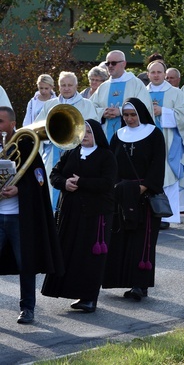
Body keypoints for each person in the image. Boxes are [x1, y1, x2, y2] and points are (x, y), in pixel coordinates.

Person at [41, 120, 117, 313]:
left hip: (95, 214)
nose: (85, 136)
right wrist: (65, 183)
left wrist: (81, 182)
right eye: (83, 132)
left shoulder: (106, 156)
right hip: (70, 212)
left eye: (89, 133)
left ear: (97, 135)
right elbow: (54, 174)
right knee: (69, 254)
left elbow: (108, 183)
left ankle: (89, 298)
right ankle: (69, 291)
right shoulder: (71, 152)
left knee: (89, 257)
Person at [0, 106, 64, 324]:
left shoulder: (26, 145)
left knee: (25, 264)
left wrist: (19, 189)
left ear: (12, 123)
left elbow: (39, 181)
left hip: (18, 216)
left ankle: (27, 308)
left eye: (0, 121)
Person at [102, 98, 165, 302]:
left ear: (141, 114)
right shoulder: (118, 136)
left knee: (142, 241)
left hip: (144, 195)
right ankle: (124, 280)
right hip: (121, 195)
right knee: (122, 240)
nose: (129, 119)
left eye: (133, 115)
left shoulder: (154, 134)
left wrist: (143, 187)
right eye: (126, 115)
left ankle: (140, 285)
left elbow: (157, 164)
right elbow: (111, 164)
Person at [36, 72, 99, 209]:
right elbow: (38, 128)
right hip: (53, 151)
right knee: (50, 186)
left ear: (76, 85)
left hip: (77, 152)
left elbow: (93, 129)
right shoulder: (50, 105)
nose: (66, 88)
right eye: (63, 85)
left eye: (70, 85)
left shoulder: (86, 104)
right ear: (58, 87)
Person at [146, 60, 184, 229]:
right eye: (153, 72)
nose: (156, 75)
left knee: (168, 176)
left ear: (165, 74)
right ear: (148, 74)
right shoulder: (142, 93)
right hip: (147, 141)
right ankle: (149, 213)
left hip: (169, 141)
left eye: (159, 72)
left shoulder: (175, 93)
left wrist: (163, 112)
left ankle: (167, 216)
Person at [90, 50, 153, 141]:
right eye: (108, 64)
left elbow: (145, 107)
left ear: (124, 64)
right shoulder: (104, 86)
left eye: (114, 63)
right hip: (106, 137)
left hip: (131, 137)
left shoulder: (136, 84)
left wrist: (121, 111)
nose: (110, 66)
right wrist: (103, 112)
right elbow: (91, 107)